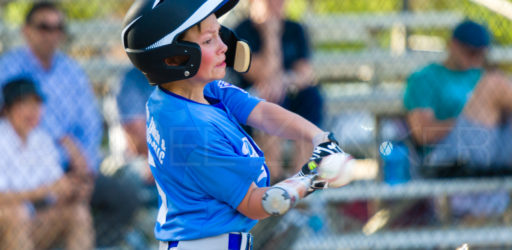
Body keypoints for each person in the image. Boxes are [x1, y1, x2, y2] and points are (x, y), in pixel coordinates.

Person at [121, 0, 350, 249]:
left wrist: (319, 138)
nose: (223, 47)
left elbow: (260, 112)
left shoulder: (199, 90)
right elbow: (255, 203)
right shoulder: (192, 131)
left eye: (220, 34)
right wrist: (313, 177)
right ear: (173, 59)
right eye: (209, 40)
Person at [404, 20, 511, 219]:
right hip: (450, 152)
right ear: (452, 45)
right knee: (495, 84)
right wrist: (470, 119)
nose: (475, 59)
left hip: (494, 148)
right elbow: (422, 133)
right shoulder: (425, 78)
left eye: (481, 53)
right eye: (470, 52)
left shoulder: (481, 74)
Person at [0, 1, 102, 186]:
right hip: (23, 167)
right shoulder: (8, 67)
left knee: (123, 195)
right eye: (44, 27)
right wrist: (62, 140)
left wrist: (85, 165)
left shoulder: (72, 70)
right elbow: (9, 120)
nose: (52, 35)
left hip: (74, 166)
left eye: (58, 28)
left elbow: (90, 124)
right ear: (26, 30)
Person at [233, 0, 324, 181]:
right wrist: (270, 35)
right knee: (269, 98)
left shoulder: (294, 29)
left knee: (312, 97)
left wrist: (284, 80)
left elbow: (306, 74)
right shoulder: (241, 32)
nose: (278, 4)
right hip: (253, 97)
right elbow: (260, 73)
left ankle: (301, 181)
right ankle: (272, 182)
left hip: (290, 91)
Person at [0, 78, 94, 250]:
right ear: (7, 109)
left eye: (36, 104)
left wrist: (73, 189)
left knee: (78, 214)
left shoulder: (41, 139)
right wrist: (45, 190)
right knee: (15, 213)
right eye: (24, 104)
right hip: (7, 225)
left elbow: (55, 191)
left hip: (31, 225)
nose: (32, 111)